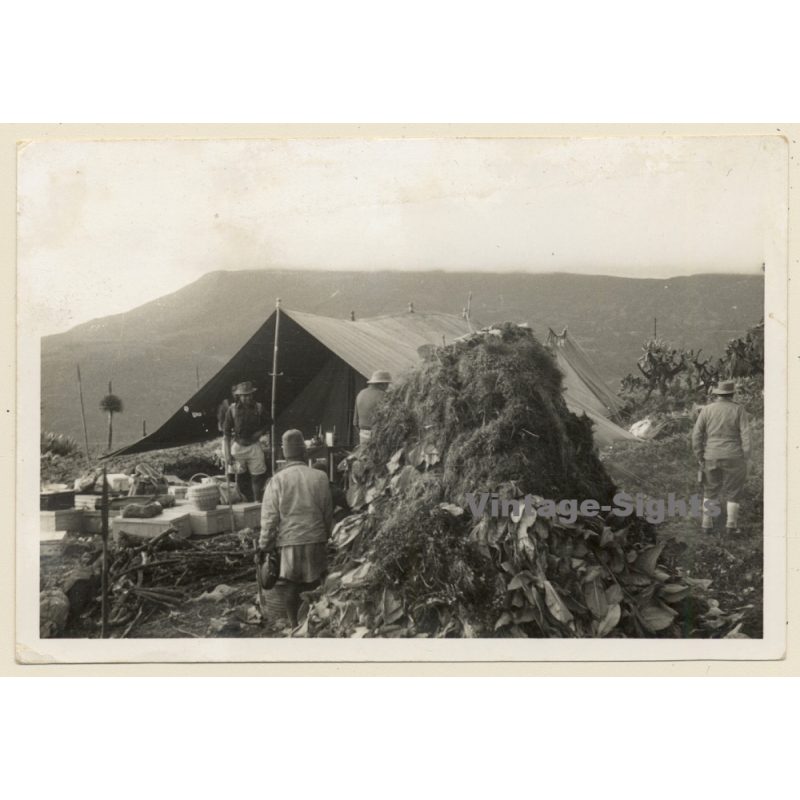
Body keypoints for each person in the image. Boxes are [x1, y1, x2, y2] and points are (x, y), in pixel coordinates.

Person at [257, 430, 333, 631]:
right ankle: (318, 624)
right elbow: (327, 512)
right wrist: (326, 536)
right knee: (317, 583)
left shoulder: (277, 480)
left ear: (284, 455)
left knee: (291, 585)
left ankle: (294, 627)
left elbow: (269, 519)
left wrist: (264, 546)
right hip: (316, 538)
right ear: (305, 454)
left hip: (289, 542)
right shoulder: (321, 477)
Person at [692, 380, 751, 534]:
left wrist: (700, 455)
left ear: (717, 394)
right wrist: (745, 454)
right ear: (732, 394)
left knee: (710, 490)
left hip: (711, 455)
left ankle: (707, 525)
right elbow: (746, 435)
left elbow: (697, 435)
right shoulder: (739, 410)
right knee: (733, 491)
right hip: (734, 456)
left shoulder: (706, 410)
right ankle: (731, 526)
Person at [222, 381, 271, 502]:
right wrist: (228, 455)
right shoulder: (232, 409)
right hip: (238, 447)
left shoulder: (259, 407)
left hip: (254, 446)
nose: (247, 398)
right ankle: (237, 502)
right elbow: (226, 433)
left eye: (249, 395)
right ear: (239, 396)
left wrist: (260, 433)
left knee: (257, 477)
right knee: (234, 476)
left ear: (252, 395)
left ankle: (257, 502)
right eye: (244, 395)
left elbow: (269, 422)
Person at [353, 370, 392, 445]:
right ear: (383, 384)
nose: (387, 387)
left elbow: (355, 422)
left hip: (363, 437)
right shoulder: (384, 396)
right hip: (379, 438)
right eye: (387, 384)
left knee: (364, 456)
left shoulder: (361, 394)